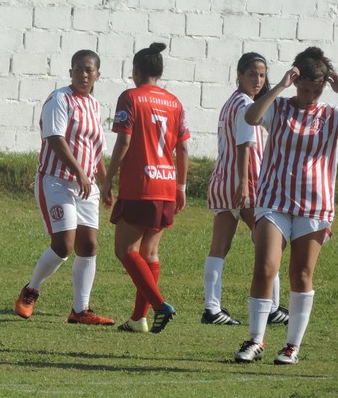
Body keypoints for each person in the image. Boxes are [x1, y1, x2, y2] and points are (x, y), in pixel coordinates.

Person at [233, 48, 338, 365]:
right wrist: (278, 86)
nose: (309, 96)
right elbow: (250, 118)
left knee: (301, 274)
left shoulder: (330, 116)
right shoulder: (278, 106)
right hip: (274, 201)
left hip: (314, 207)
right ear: (296, 83)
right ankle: (255, 339)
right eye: (304, 89)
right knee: (265, 267)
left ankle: (292, 346)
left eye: (315, 91)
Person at [15, 50, 112, 325]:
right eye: (78, 69)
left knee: (89, 245)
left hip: (85, 186)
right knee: (63, 245)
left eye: (89, 71)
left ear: (97, 75)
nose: (83, 75)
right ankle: (31, 289)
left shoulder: (94, 105)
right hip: (56, 182)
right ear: (70, 71)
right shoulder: (60, 99)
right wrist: (79, 171)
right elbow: (55, 139)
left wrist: (105, 184)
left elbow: (97, 150)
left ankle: (80, 310)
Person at [101, 42, 189, 334]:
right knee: (149, 253)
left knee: (125, 250)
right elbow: (184, 149)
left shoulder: (130, 97)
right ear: (160, 72)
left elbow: (124, 141)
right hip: (165, 184)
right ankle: (139, 319)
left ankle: (161, 305)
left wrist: (108, 177)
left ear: (136, 71)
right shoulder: (175, 103)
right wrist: (181, 187)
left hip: (140, 184)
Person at [203, 53, 288, 326]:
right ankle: (272, 307)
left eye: (262, 75)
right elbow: (244, 145)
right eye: (252, 73)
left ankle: (212, 308)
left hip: (221, 181)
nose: (258, 79)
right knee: (268, 244)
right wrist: (243, 183)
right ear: (239, 74)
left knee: (219, 248)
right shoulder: (246, 104)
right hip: (247, 184)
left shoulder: (230, 102)